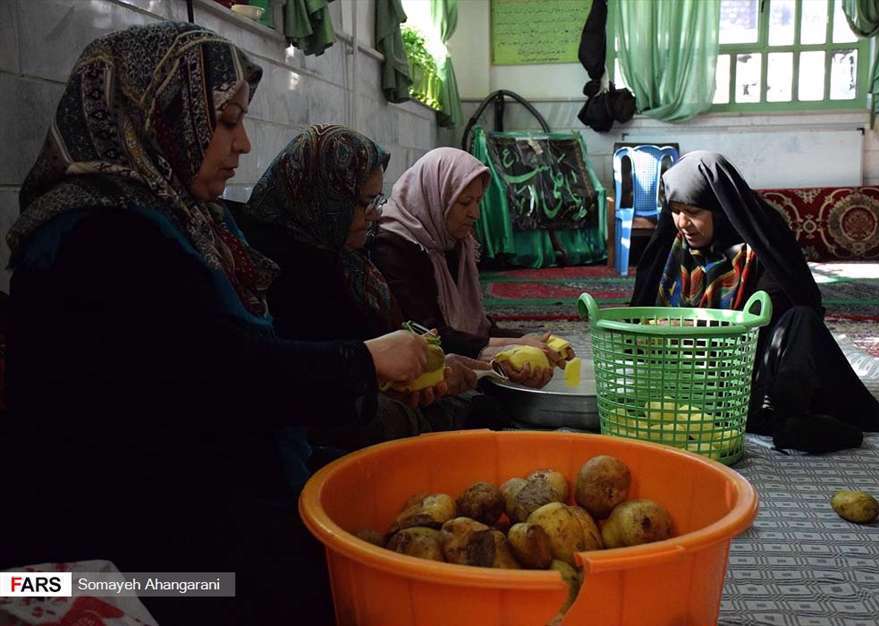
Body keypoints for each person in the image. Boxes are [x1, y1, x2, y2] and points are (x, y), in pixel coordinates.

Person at [0, 22, 427, 625]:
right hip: (130, 570)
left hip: (175, 515)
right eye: (226, 122)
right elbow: (222, 374)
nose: (245, 144)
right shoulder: (99, 239)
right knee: (329, 587)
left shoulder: (176, 220)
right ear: (158, 116)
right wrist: (365, 360)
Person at [631, 151, 879, 453]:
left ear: (719, 208)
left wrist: (699, 326)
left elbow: (776, 309)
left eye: (692, 211)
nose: (682, 223)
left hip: (745, 368)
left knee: (801, 320)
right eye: (675, 210)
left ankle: (788, 416)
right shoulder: (671, 245)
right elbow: (639, 314)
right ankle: (774, 419)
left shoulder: (761, 237)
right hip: (682, 375)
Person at [236, 124, 497, 440]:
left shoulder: (346, 258)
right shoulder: (284, 267)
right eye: (364, 203)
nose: (375, 215)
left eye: (377, 200)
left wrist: (422, 371)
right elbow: (311, 379)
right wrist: (394, 374)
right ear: (328, 200)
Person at [371, 147, 569, 388]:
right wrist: (505, 348)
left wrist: (527, 340)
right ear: (436, 197)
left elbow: (477, 327)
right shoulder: (393, 246)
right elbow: (427, 333)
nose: (474, 213)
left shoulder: (452, 241)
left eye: (478, 201)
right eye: (465, 202)